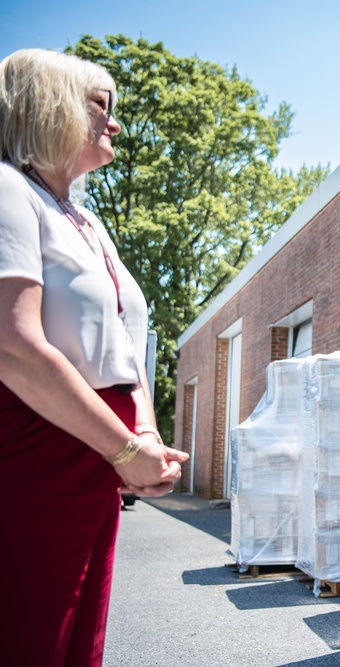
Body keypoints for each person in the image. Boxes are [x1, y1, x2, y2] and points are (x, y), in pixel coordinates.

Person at [0, 48, 189, 666]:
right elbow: (13, 344)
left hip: (95, 448)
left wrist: (147, 438)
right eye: (101, 107)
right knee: (33, 632)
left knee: (81, 636)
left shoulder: (86, 220)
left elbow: (125, 345)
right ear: (48, 106)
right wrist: (124, 449)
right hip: (37, 443)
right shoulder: (8, 191)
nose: (115, 125)